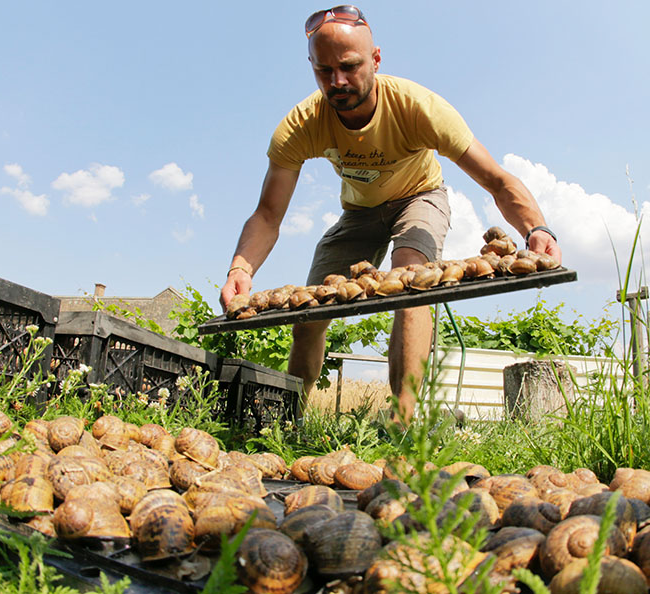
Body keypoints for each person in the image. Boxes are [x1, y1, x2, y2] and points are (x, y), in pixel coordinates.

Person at [220, 5, 561, 425]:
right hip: (359, 212)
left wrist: (537, 228)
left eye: (349, 67)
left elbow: (495, 180)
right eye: (323, 70)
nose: (337, 81)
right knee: (310, 310)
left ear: (376, 60)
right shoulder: (301, 125)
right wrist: (242, 267)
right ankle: (291, 417)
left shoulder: (419, 108)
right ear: (311, 66)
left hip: (420, 196)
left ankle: (403, 417)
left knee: (411, 278)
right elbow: (268, 215)